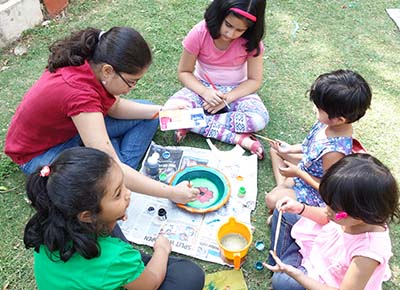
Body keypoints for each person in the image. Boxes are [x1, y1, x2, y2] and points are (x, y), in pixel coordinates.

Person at [4, 27, 198, 204]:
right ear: (108, 70)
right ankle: (119, 170)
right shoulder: (79, 94)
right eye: (131, 82)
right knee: (102, 178)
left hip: (72, 130)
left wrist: (165, 111)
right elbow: (110, 162)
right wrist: (172, 192)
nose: (132, 88)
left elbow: (114, 107)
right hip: (39, 153)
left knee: (151, 113)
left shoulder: (91, 64)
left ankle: (116, 165)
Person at [23, 147, 205, 290]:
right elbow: (151, 285)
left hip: (91, 271)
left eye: (123, 185)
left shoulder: (50, 222)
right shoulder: (114, 257)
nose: (128, 194)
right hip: (118, 267)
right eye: (118, 194)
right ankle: (139, 267)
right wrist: (162, 249)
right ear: (87, 216)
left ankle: (135, 268)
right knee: (189, 275)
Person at [266, 153, 399, 290]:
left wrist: (298, 275)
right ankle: (282, 265)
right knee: (285, 212)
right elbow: (325, 217)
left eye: (333, 208)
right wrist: (300, 208)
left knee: (284, 283)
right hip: (320, 245)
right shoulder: (350, 215)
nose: (327, 209)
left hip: (326, 279)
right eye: (327, 203)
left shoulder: (368, 252)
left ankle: (285, 267)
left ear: (362, 213)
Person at [164, 0, 269, 159]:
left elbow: (254, 80)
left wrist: (227, 98)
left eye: (239, 30)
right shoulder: (200, 32)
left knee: (259, 120)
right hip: (201, 88)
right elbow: (184, 72)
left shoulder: (252, 41)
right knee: (170, 112)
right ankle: (239, 139)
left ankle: (193, 122)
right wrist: (205, 92)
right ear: (219, 14)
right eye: (228, 24)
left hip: (236, 91)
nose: (230, 34)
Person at [265, 69, 372, 210]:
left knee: (270, 199)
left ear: (339, 119)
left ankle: (284, 199)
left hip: (313, 187)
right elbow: (308, 146)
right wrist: (290, 149)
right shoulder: (327, 122)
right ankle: (283, 190)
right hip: (307, 165)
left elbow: (327, 188)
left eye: (319, 108)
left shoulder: (334, 152)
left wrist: (298, 173)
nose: (314, 108)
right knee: (275, 149)